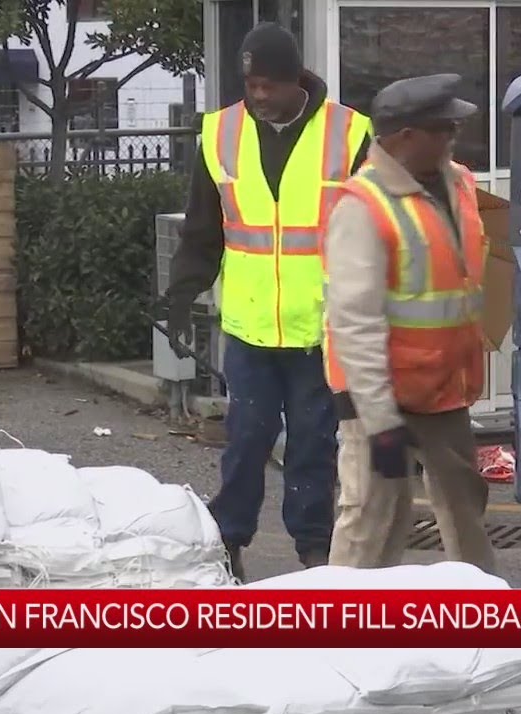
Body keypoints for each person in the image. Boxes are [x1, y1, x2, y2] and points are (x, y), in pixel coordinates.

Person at [163, 22, 372, 582]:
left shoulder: (349, 134)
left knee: (312, 445)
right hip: (251, 327)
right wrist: (179, 299)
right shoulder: (220, 133)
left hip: (318, 328)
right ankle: (229, 541)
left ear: (295, 81)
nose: (258, 96)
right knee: (246, 440)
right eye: (250, 85)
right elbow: (204, 230)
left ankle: (312, 549)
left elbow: (373, 231)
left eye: (269, 86)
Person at [320, 74, 498, 574]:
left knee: (466, 512)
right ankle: (340, 630)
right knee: (373, 518)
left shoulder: (457, 181)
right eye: (443, 128)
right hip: (382, 396)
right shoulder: (363, 205)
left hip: (445, 387)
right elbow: (355, 322)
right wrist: (380, 425)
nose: (453, 137)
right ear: (404, 137)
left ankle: (485, 621)